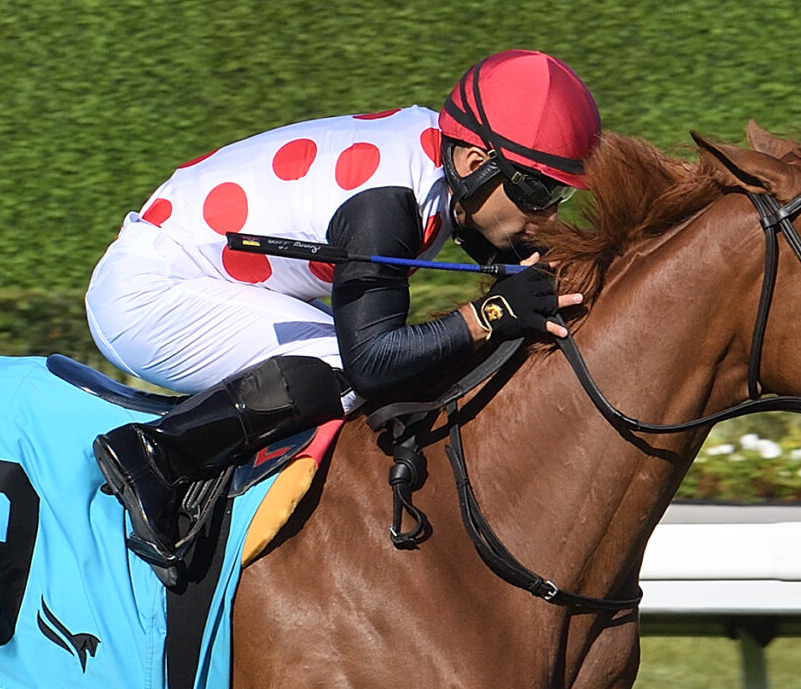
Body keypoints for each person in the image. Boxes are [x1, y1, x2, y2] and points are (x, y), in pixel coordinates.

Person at [88, 49, 600, 577]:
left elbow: (486, 240)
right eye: (538, 191)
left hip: (184, 273)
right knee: (336, 367)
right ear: (474, 164)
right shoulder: (386, 206)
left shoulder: (440, 160)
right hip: (147, 297)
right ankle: (154, 455)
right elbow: (372, 362)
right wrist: (487, 315)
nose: (550, 214)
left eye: (559, 192)